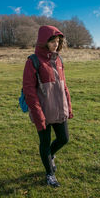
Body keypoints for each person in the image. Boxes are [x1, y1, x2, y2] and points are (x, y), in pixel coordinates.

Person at [22, 25, 73, 187]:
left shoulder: (59, 60)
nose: (56, 44)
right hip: (42, 112)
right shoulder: (33, 61)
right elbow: (29, 91)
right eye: (52, 41)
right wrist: (38, 115)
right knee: (44, 143)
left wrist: (69, 107)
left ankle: (50, 155)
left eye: (58, 41)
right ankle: (49, 174)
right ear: (43, 41)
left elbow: (64, 86)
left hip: (59, 109)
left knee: (64, 138)